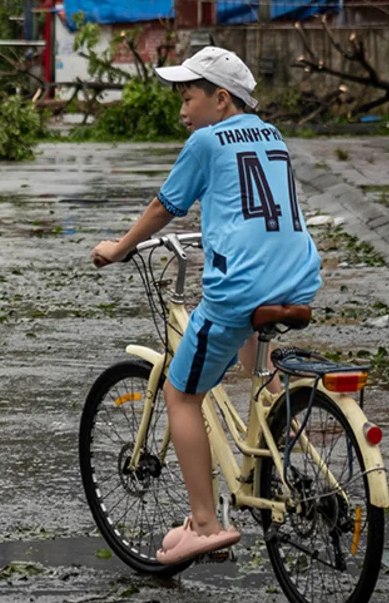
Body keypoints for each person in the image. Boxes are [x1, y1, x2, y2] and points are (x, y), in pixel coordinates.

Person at [91, 46, 322, 565]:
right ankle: (272, 448)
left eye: (188, 96)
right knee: (256, 368)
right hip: (298, 278)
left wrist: (119, 248)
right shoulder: (273, 134)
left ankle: (204, 522)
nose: (182, 109)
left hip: (241, 288)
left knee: (181, 394)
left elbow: (162, 208)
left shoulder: (205, 140)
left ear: (221, 99)